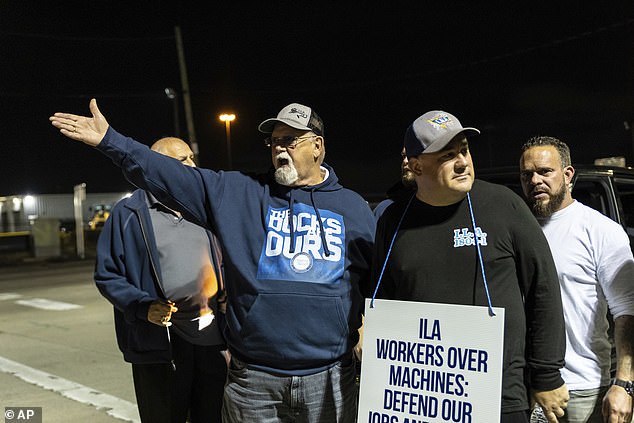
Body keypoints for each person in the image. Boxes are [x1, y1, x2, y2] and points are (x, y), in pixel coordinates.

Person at [50, 100, 375, 423]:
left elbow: (374, 286)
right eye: (274, 141)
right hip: (254, 383)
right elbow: (172, 175)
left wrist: (365, 333)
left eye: (289, 140)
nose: (279, 150)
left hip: (329, 378)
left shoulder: (354, 209)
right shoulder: (242, 193)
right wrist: (111, 141)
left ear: (317, 146)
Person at [372, 110, 568, 423]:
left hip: (500, 395)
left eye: (464, 150)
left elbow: (543, 289)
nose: (463, 161)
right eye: (448, 155)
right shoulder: (393, 221)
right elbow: (382, 299)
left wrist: (546, 375)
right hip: (420, 397)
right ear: (416, 165)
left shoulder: (503, 205)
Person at [95, 136, 227, 423]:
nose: (192, 165)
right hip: (159, 344)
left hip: (213, 340)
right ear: (157, 166)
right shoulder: (129, 213)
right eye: (183, 161)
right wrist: (143, 307)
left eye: (192, 158)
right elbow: (107, 275)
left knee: (213, 416)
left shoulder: (206, 208)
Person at [519, 136, 634, 423]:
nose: (535, 181)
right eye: (527, 174)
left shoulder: (599, 230)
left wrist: (624, 384)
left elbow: (627, 311)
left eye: (545, 171)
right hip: (525, 387)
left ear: (567, 175)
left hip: (582, 390)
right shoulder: (517, 231)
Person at [372, 147, 416, 219]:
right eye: (404, 156)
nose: (405, 161)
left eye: (412, 155)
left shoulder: (439, 205)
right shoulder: (385, 209)